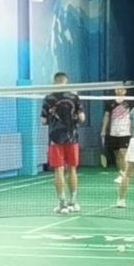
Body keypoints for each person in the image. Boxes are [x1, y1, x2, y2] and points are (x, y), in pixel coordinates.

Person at [41, 72, 84, 215]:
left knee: (58, 171)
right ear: (67, 82)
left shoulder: (48, 99)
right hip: (72, 138)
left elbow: (43, 121)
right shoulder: (74, 97)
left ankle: (62, 204)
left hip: (55, 140)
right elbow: (82, 118)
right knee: (72, 170)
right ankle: (73, 202)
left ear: (54, 83)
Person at [101, 85, 133, 176]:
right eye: (118, 89)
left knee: (123, 153)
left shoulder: (129, 102)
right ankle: (121, 173)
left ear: (125, 91)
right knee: (117, 155)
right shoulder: (110, 102)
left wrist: (131, 129)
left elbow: (132, 117)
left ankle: (125, 176)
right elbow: (106, 116)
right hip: (113, 132)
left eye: (122, 89)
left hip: (125, 132)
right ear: (115, 90)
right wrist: (103, 130)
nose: (120, 90)